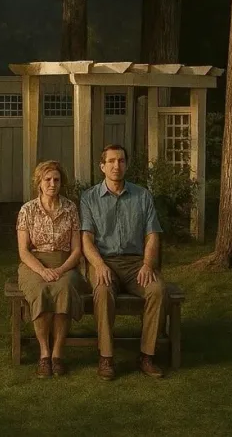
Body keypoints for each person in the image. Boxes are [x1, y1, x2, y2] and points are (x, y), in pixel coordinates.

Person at [80, 144, 166, 380]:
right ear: (102, 167)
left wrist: (148, 265)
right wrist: (98, 265)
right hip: (104, 261)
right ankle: (106, 357)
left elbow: (152, 235)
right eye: (111, 161)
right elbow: (86, 239)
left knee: (157, 290)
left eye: (121, 161)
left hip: (136, 263)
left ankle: (147, 356)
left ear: (126, 165)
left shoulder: (142, 196)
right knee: (103, 291)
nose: (116, 166)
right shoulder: (89, 198)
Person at [16, 160, 85, 378]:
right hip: (34, 263)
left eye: (56, 179)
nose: (52, 184)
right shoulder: (27, 210)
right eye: (48, 180)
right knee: (41, 290)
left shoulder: (71, 209)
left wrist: (63, 268)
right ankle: (44, 355)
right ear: (39, 182)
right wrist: (42, 271)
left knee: (64, 289)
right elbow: (24, 251)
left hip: (65, 262)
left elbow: (77, 250)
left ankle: (57, 355)